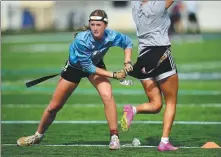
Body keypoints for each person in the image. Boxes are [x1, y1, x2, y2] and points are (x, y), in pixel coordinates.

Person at [17, 9, 134, 150]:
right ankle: (38, 135)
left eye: (98, 24)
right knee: (54, 106)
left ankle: (114, 137)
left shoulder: (112, 36)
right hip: (76, 68)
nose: (95, 28)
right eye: (92, 24)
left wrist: (127, 62)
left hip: (96, 64)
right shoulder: (81, 40)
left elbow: (127, 43)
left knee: (107, 95)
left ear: (105, 25)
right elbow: (88, 68)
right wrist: (114, 75)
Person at [120, 0, 179, 151]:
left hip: (143, 58)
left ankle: (132, 110)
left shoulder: (135, 5)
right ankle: (164, 142)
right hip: (161, 55)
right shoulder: (157, 5)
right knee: (171, 102)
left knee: (156, 104)